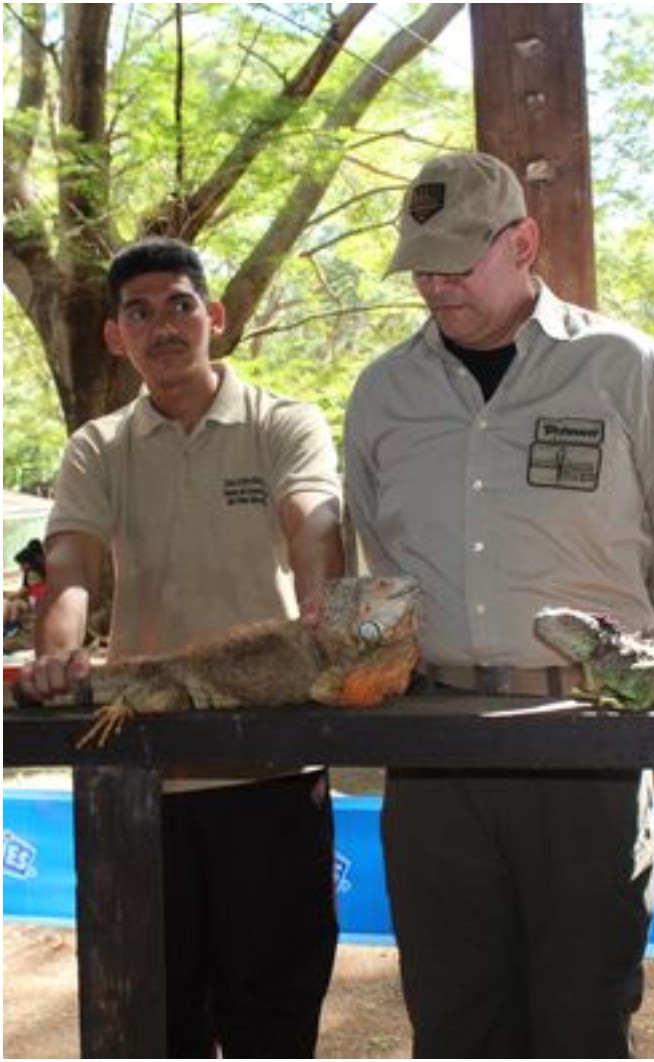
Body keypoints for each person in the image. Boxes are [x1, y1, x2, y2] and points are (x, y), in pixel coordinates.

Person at [344, 151, 654, 1056]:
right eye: (421, 264)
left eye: (457, 259)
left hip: (586, 733)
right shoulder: (382, 393)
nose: (435, 283)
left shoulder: (625, 369)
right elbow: (382, 558)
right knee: (453, 1017)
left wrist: (633, 684)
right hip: (434, 740)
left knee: (581, 1019)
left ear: (524, 242)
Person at [17, 236, 345, 1056]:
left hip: (273, 769)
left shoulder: (285, 422)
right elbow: (72, 568)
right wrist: (57, 651)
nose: (163, 326)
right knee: (154, 1022)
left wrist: (324, 604)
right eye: (139, 312)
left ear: (215, 316)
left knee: (273, 1019)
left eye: (180, 304)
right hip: (139, 778)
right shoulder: (97, 447)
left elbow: (314, 522)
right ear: (115, 337)